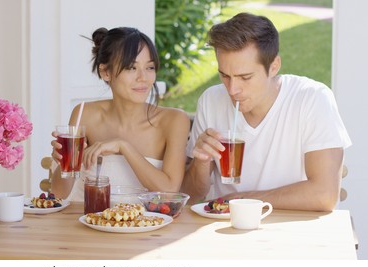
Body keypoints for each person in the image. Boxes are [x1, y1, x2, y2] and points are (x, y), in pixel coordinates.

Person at [181, 13, 351, 211]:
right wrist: (201, 162)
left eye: (245, 77)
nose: (232, 89)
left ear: (274, 66)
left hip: (291, 228)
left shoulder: (312, 98)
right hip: (225, 230)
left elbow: (325, 195)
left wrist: (243, 200)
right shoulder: (210, 101)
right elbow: (191, 196)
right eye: (225, 75)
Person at [50, 27, 190, 201]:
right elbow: (58, 194)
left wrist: (123, 147)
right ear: (105, 72)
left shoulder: (174, 121)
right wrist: (63, 165)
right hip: (86, 220)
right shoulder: (84, 113)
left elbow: (168, 192)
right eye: (131, 68)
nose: (143, 77)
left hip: (145, 225)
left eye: (150, 67)